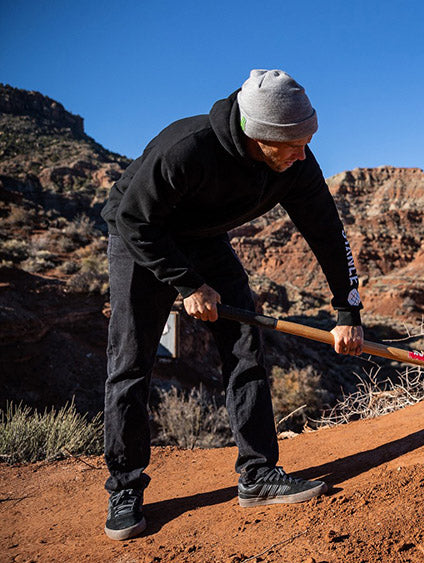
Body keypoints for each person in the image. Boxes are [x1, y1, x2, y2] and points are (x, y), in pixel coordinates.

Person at [99, 69, 364, 541]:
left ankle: (259, 475)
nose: (303, 154)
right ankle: (125, 488)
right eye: (292, 144)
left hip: (203, 239)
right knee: (131, 362)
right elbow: (134, 220)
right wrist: (188, 285)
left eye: (307, 141)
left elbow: (327, 231)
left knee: (245, 343)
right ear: (258, 135)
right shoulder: (187, 148)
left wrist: (347, 309)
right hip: (142, 237)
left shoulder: (296, 163)